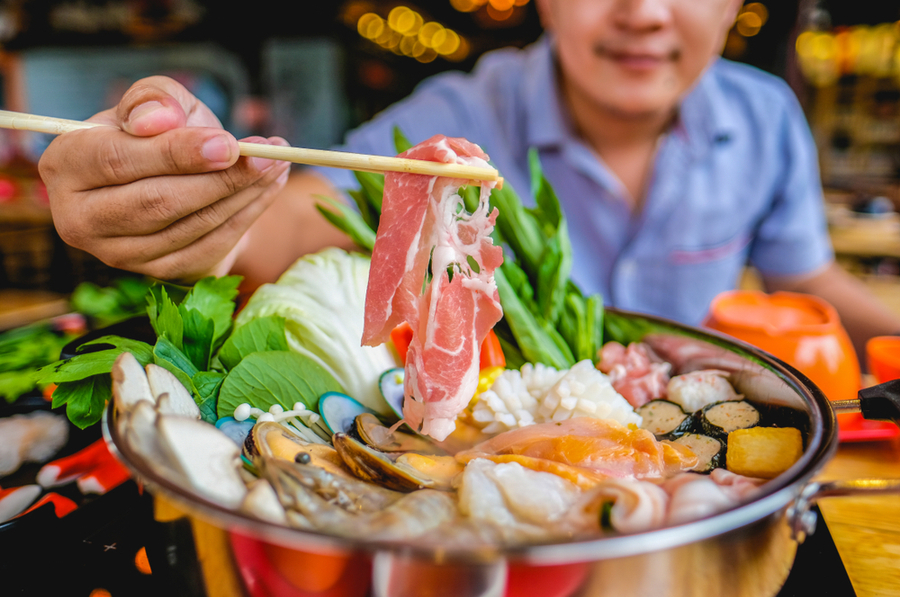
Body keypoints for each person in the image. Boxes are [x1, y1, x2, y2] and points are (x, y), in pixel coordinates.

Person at [39, 0, 900, 360]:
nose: (643, 13)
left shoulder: (766, 115)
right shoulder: (462, 113)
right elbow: (306, 220)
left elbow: (807, 279)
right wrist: (196, 209)